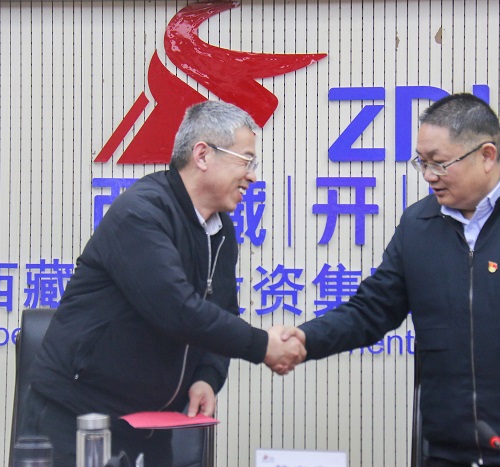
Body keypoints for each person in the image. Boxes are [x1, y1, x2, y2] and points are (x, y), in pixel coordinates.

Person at [293, 93, 500, 467]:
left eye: (440, 163)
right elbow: (371, 310)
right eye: (422, 162)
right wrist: (302, 339)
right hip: (448, 451)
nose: (429, 176)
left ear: (487, 155)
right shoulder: (419, 224)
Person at [22, 100, 306, 466]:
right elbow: (176, 309)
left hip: (151, 424)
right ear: (202, 155)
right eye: (246, 161)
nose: (252, 176)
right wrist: (262, 345)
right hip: (77, 417)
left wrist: (207, 377)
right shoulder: (141, 213)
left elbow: (223, 312)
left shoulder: (220, 230)